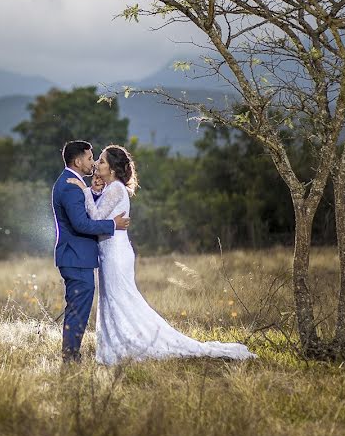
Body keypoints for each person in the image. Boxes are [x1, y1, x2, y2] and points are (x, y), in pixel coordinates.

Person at [66, 144, 258, 363]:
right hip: (109, 254)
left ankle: (139, 343)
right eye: (97, 160)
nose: (97, 164)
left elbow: (97, 218)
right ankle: (115, 346)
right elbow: (103, 216)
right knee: (112, 300)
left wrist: (84, 192)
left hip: (115, 255)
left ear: (111, 169)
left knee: (122, 299)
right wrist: (94, 191)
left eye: (101, 161)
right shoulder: (110, 189)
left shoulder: (117, 188)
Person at [51, 140, 130, 363]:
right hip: (76, 258)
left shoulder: (74, 183)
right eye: (89, 158)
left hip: (78, 257)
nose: (93, 162)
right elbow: (81, 224)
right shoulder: (69, 186)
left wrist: (92, 192)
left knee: (79, 308)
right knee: (78, 310)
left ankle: (72, 354)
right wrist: (113, 225)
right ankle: (70, 358)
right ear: (77, 161)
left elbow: (86, 213)